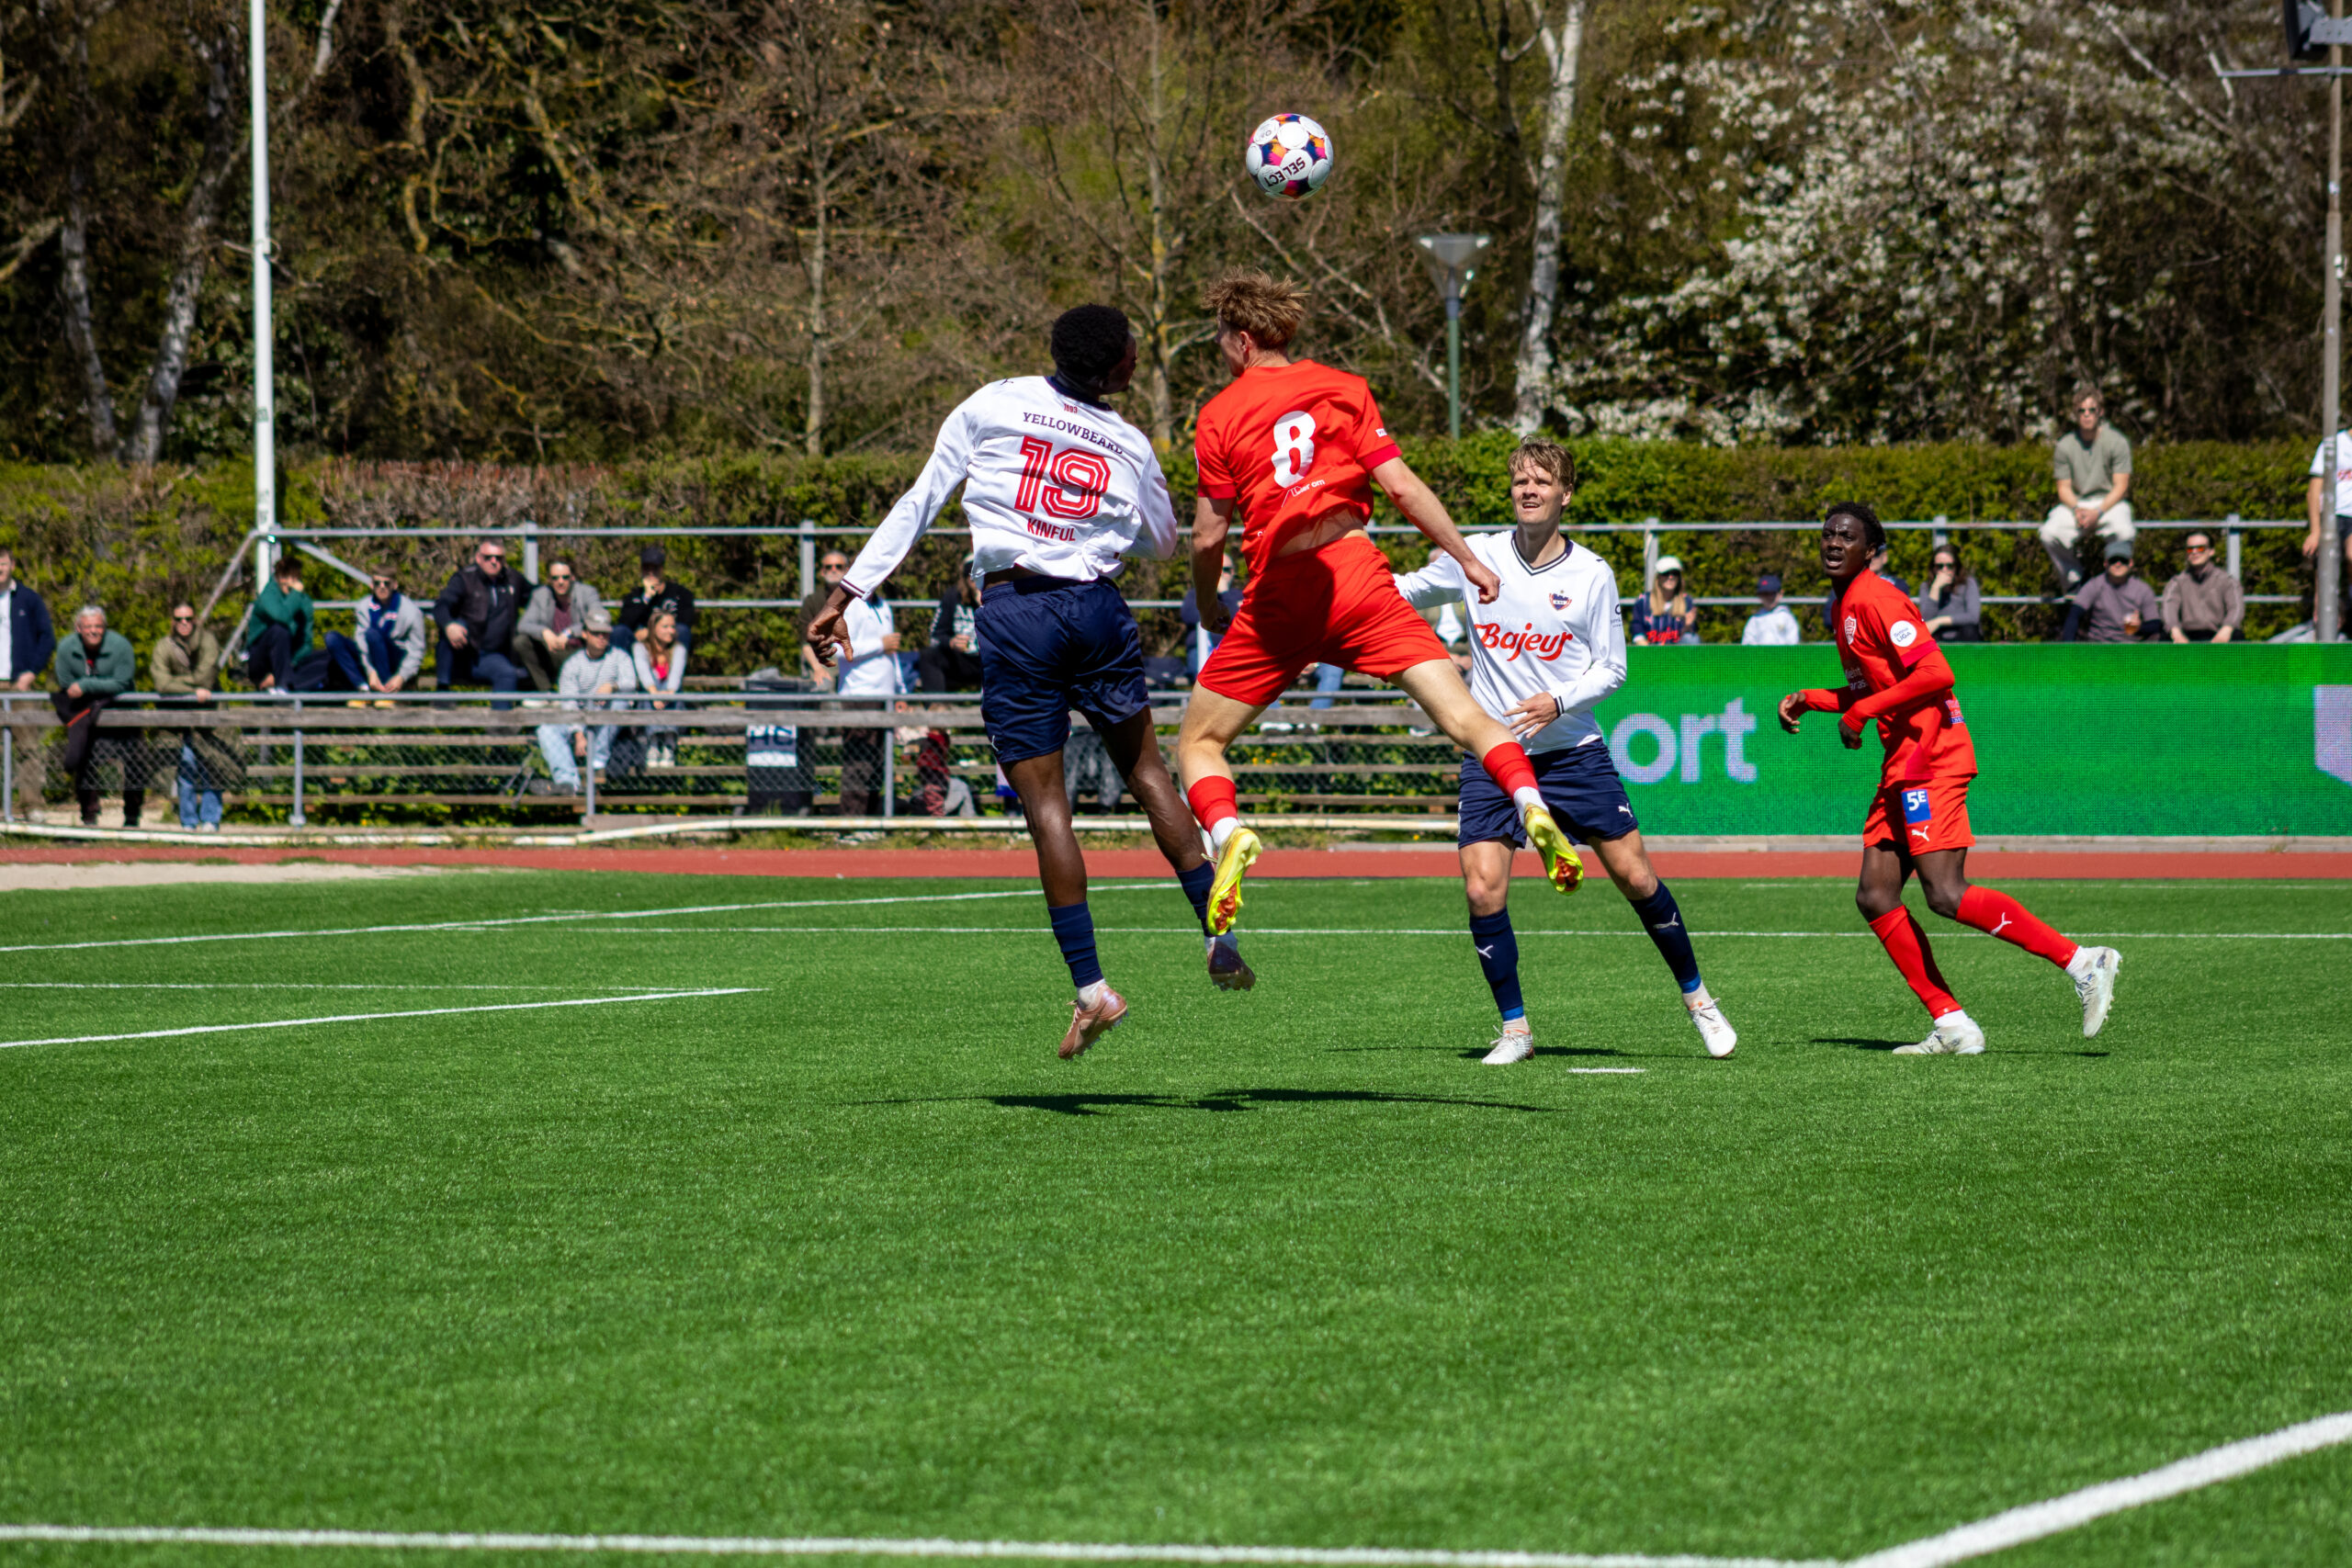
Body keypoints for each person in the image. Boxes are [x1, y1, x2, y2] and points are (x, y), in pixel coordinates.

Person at [807, 302, 1234, 1057]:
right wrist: (1102, 530)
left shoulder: (994, 401)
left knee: (1047, 806)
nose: (1138, 357)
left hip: (1017, 608)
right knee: (1147, 771)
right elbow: (1166, 542)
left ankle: (1093, 990)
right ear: (1112, 367)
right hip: (1097, 607)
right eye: (1132, 350)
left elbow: (920, 502)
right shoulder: (1132, 443)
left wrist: (846, 593)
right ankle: (1215, 931)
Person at [1178, 268, 1581, 950]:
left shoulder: (1219, 414)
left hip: (1281, 591)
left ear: (1242, 340)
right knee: (1468, 719)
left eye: (1220, 335)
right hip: (1357, 575)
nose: (1219, 347)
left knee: (1200, 742)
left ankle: (1227, 831)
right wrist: (1469, 559)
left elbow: (1206, 534)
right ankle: (1531, 801)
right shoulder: (1345, 387)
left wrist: (1206, 600)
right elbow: (1402, 487)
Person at [1393, 441, 1737, 1064]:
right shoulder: (1476, 555)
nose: (1529, 489)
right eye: (1520, 480)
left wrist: (1558, 701)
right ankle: (1516, 1030)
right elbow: (1402, 592)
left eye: (1542, 480)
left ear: (1565, 494)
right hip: (1493, 754)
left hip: (1573, 753)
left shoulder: (1592, 574)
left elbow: (1613, 668)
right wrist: (1325, 579)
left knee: (1637, 877)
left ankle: (1699, 1000)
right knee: (1482, 890)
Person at [1777, 502, 2120, 1055]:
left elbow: (1937, 672)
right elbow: (1875, 689)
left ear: (1871, 550)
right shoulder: (1845, 605)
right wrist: (1812, 699)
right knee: (1876, 895)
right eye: (1828, 534)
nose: (1834, 542)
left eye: (1848, 536)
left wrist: (1862, 713)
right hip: (1902, 761)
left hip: (1930, 757)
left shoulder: (1878, 598)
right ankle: (1953, 1024)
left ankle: (2083, 961)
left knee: (1945, 892)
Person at [151, 602, 240, 830]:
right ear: (172, 621)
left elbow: (206, 678)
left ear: (195, 620)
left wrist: (176, 684)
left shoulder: (208, 641)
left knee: (213, 766)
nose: (184, 623)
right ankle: (188, 821)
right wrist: (192, 690)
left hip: (210, 715)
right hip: (179, 716)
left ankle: (210, 819)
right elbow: (161, 683)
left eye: (188, 618)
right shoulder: (164, 646)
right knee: (186, 766)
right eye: (179, 619)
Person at [51, 604, 139, 827]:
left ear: (105, 628)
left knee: (135, 762)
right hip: (85, 712)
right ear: (78, 628)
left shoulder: (121, 646)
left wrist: (86, 685)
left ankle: (132, 817)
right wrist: (99, 687)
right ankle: (88, 816)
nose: (93, 631)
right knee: (84, 761)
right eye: (88, 626)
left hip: (122, 711)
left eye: (98, 626)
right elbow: (66, 684)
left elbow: (122, 682)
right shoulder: (66, 647)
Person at [2041, 384, 2133, 588]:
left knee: (2125, 532)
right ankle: (2075, 581)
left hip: (2109, 504)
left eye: (2092, 410)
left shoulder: (2117, 442)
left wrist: (2098, 512)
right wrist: (2077, 509)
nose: (2087, 415)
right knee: (2049, 532)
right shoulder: (2064, 445)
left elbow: (2121, 486)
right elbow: (2063, 488)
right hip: (2078, 504)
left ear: (2100, 412)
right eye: (2081, 411)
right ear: (2075, 414)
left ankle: (2116, 585)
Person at [534, 615, 637, 795]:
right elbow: (569, 702)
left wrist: (612, 686)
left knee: (620, 701)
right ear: (585, 634)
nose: (601, 637)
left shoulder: (620, 657)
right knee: (546, 729)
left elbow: (631, 683)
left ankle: (597, 764)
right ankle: (567, 782)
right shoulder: (572, 664)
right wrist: (578, 733)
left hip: (606, 719)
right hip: (580, 719)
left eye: (605, 633)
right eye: (596, 633)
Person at [0, 547, 59, 817]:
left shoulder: (29, 599)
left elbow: (47, 637)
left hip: (19, 686)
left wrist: (32, 672)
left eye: (3, 563)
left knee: (29, 747)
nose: (0, 568)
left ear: (12, 565)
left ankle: (32, 806)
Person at [432, 538, 526, 704]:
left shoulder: (513, 579)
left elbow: (537, 595)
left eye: (499, 558)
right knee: (456, 627)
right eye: (488, 557)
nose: (494, 561)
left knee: (507, 674)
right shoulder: (464, 579)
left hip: (491, 656)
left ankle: (501, 720)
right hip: (464, 653)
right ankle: (442, 692)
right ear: (478, 558)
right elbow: (442, 605)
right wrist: (449, 625)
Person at [326, 568, 426, 704]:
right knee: (332, 638)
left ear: (395, 585)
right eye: (377, 583)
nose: (382, 587)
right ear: (371, 585)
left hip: (395, 659)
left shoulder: (411, 611)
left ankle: (386, 691)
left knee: (373, 634)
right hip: (370, 656)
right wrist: (370, 671)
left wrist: (402, 676)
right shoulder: (363, 607)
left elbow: (417, 650)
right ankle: (363, 689)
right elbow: (362, 646)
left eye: (387, 583)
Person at [514, 559, 605, 694]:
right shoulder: (540, 595)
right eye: (555, 578)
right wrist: (544, 632)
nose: (560, 582)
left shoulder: (587, 593)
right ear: (549, 579)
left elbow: (600, 620)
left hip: (582, 653)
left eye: (565, 577)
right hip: (553, 652)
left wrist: (570, 632)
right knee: (521, 642)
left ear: (573, 577)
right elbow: (523, 625)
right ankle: (547, 693)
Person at [2061, 539, 2161, 642]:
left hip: (2130, 646)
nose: (2118, 564)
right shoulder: (2094, 585)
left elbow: (2155, 624)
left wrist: (2139, 627)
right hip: (2098, 644)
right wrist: (2069, 647)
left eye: (2123, 560)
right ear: (2105, 563)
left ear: (2131, 563)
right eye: (2113, 560)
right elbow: (2074, 614)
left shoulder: (2143, 589)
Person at [244, 554, 316, 691]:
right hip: (260, 660)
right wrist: (295, 595)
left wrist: (290, 664)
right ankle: (282, 686)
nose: (290, 582)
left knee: (328, 657)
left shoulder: (304, 601)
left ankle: (285, 681)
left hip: (288, 661)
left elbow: (307, 641)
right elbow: (283, 616)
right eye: (285, 577)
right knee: (279, 631)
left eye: (295, 578)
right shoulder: (268, 595)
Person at [2304, 425, 2352, 628]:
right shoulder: (2333, 444)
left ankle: (2347, 609)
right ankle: (2324, 621)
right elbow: (2314, 491)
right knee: (2325, 567)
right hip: (2332, 516)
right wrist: (2315, 531)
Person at [2163, 532, 2244, 644]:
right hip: (2186, 635)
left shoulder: (2227, 581)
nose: (2194, 552)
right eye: (2190, 549)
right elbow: (2168, 609)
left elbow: (2236, 608)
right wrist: (2175, 632)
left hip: (2219, 633)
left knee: (2237, 636)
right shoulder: (2176, 582)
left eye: (2200, 548)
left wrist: (2227, 628)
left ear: (2211, 551)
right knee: (2164, 637)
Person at [632, 609, 687, 769]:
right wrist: (655, 695)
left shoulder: (679, 649)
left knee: (671, 689)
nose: (671, 631)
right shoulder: (640, 648)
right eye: (665, 626)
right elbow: (644, 674)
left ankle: (669, 742)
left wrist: (667, 695)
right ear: (653, 628)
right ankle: (654, 742)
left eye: (673, 627)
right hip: (651, 697)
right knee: (648, 692)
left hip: (670, 697)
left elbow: (676, 676)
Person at [918, 568, 986, 693]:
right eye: (972, 575)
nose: (975, 579)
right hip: (960, 660)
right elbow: (935, 636)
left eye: (980, 574)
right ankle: (936, 702)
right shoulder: (953, 595)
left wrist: (982, 604)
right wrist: (951, 642)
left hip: (989, 659)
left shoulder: (997, 595)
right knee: (929, 655)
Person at [618, 545, 696, 651]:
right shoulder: (634, 596)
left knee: (682, 630)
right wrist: (646, 597)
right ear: (641, 569)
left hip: (669, 641)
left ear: (662, 569)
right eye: (646, 568)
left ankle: (676, 662)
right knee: (619, 631)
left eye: (655, 568)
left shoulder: (680, 593)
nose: (651, 572)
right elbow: (625, 623)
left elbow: (685, 621)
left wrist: (653, 633)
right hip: (640, 644)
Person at [1178, 555, 1241, 676]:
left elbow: (1242, 618)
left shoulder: (1239, 595)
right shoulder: (1195, 594)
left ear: (1233, 572)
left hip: (1235, 651)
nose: (1221, 574)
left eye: (1226, 570)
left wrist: (1225, 594)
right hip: (1201, 651)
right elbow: (1189, 616)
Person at [798, 551, 852, 689]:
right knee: (824, 687)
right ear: (822, 572)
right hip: (824, 658)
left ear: (846, 571)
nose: (833, 570)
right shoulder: (812, 601)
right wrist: (817, 669)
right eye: (829, 567)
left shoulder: (857, 600)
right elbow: (806, 642)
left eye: (838, 566)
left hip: (855, 655)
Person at [1916, 546, 1982, 642]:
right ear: (1933, 568)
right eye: (1939, 566)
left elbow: (1973, 617)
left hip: (1962, 635)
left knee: (1969, 630)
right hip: (1938, 637)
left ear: (1956, 567)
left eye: (1950, 566)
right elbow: (1926, 622)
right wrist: (1935, 588)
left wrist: (1940, 621)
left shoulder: (1968, 584)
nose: (1944, 570)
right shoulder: (1926, 587)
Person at [1627, 557, 1698, 644]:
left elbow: (1688, 638)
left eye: (1675, 573)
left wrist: (1688, 626)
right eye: (1666, 573)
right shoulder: (1643, 601)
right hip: (1650, 650)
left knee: (1692, 638)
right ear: (1658, 577)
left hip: (1678, 651)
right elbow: (1637, 629)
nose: (1670, 577)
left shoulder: (1687, 601)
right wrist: (1645, 646)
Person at [1739, 573, 1801, 645]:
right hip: (1760, 652)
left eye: (1772, 593)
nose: (1769, 597)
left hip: (1782, 652)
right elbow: (1748, 642)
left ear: (1780, 594)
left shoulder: (1786, 617)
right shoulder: (1755, 619)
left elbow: (1793, 642)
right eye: (1765, 594)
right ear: (1759, 596)